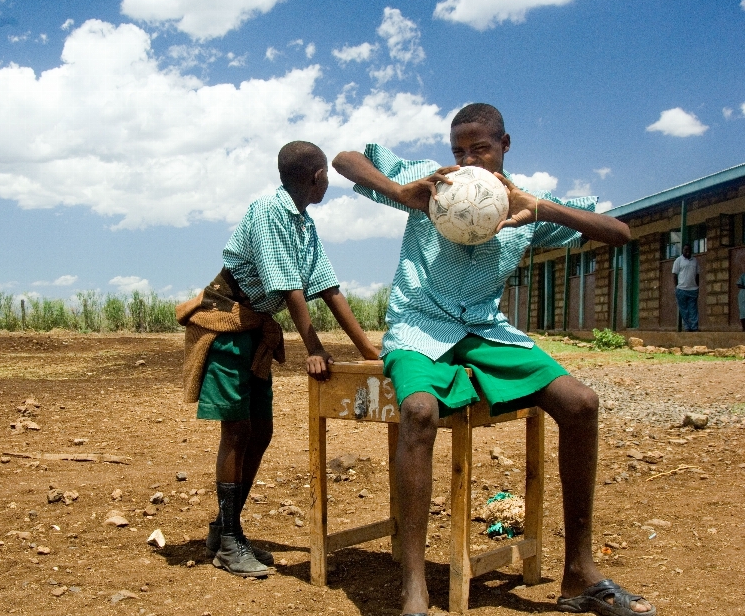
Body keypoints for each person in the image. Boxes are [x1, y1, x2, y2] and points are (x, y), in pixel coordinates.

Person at [333, 103, 655, 616]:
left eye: (478, 147)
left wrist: (544, 209)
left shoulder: (522, 205)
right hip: (420, 325)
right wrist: (402, 194)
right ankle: (414, 587)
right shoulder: (434, 183)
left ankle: (578, 572)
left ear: (506, 144)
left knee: (581, 403)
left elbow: (619, 233)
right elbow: (344, 159)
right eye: (458, 149)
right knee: (417, 411)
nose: (467, 158)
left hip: (484, 329)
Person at [176, 140, 380, 578]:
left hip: (254, 330)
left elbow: (328, 287)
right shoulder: (270, 211)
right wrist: (315, 350)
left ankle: (222, 529)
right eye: (326, 174)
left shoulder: (304, 223)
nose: (328, 181)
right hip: (226, 326)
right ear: (317, 177)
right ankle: (230, 542)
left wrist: (370, 353)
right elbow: (289, 287)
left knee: (261, 432)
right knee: (238, 431)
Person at [672, 244, 700, 332]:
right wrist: (676, 287)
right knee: (684, 310)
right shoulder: (678, 260)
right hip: (681, 289)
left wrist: (697, 286)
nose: (687, 252)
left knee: (693, 309)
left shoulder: (694, 261)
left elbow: (697, 274)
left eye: (689, 250)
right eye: (685, 250)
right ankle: (687, 327)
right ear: (682, 251)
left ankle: (694, 327)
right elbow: (674, 274)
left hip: (693, 289)